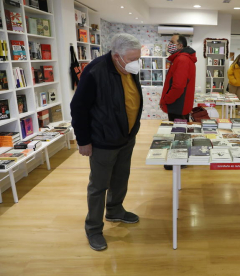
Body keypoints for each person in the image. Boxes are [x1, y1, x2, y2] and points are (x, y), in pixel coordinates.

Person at [70, 33, 143, 251]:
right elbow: (78, 108)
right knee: (98, 186)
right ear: (116, 56)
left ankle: (115, 210)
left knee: (121, 178)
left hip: (126, 136)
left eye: (137, 58)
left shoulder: (129, 68)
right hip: (103, 140)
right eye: (131, 59)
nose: (135, 64)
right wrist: (83, 140)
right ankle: (93, 228)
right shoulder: (95, 71)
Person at [160, 34, 197, 170]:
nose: (169, 44)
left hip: (177, 104)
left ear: (180, 45)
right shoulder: (183, 58)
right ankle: (180, 159)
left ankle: (179, 161)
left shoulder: (182, 59)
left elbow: (178, 86)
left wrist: (166, 99)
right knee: (181, 133)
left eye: (172, 42)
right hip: (180, 103)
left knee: (179, 134)